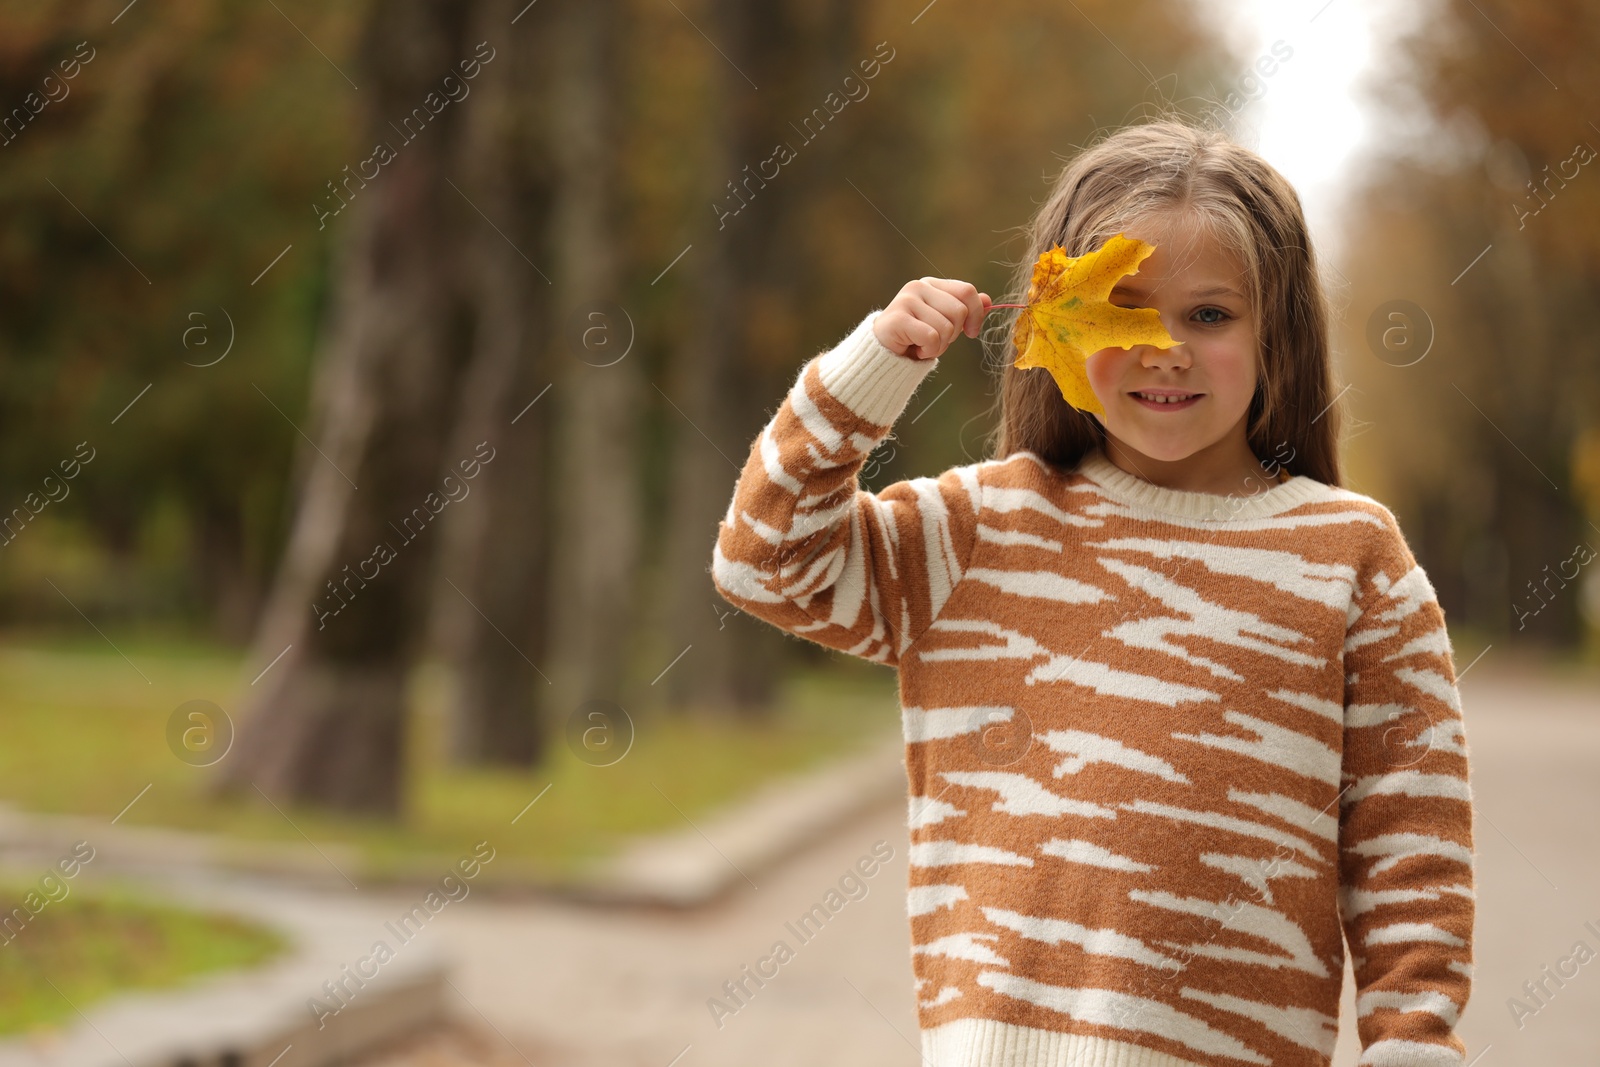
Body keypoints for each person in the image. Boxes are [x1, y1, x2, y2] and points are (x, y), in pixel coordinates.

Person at [710, 118, 1475, 1067]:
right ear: (1054, 324)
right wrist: (871, 371)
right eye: (1124, 308)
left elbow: (1407, 828)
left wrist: (1414, 1037)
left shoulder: (1350, 556)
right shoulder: (983, 530)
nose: (1164, 349)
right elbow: (765, 561)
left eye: (1210, 314)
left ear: (1276, 330)